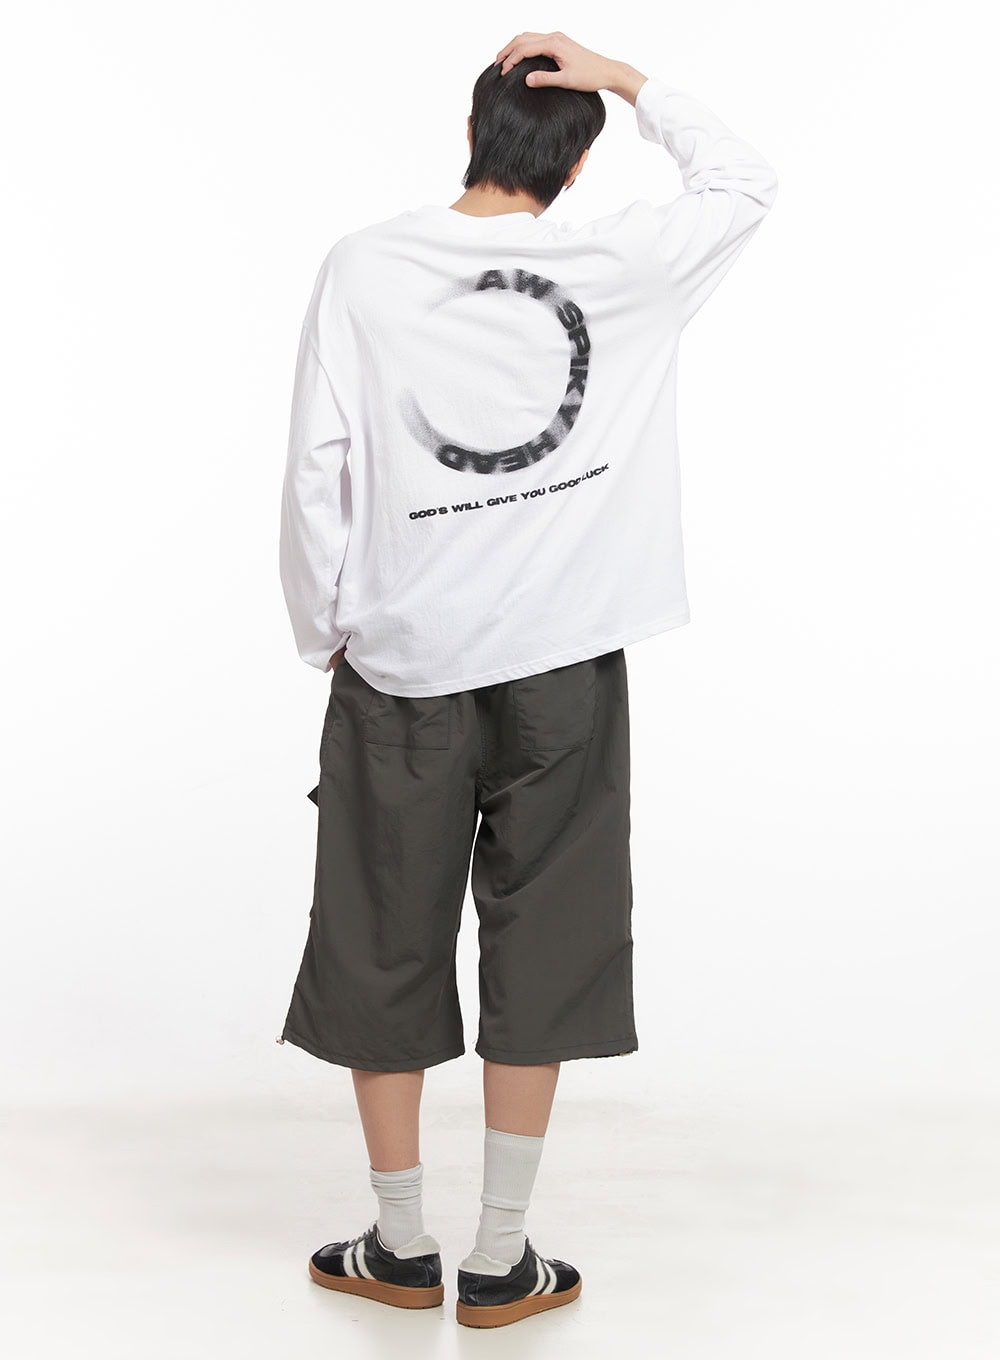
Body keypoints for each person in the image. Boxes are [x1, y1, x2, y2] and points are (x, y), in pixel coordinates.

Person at [275, 30, 778, 1329]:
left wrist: (326, 630)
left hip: (403, 664)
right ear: (581, 162)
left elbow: (319, 469)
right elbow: (743, 179)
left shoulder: (366, 266)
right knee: (547, 936)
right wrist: (625, 78)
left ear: (469, 136)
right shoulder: (629, 267)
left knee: (381, 935)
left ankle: (399, 1244)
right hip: (564, 670)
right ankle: (502, 1257)